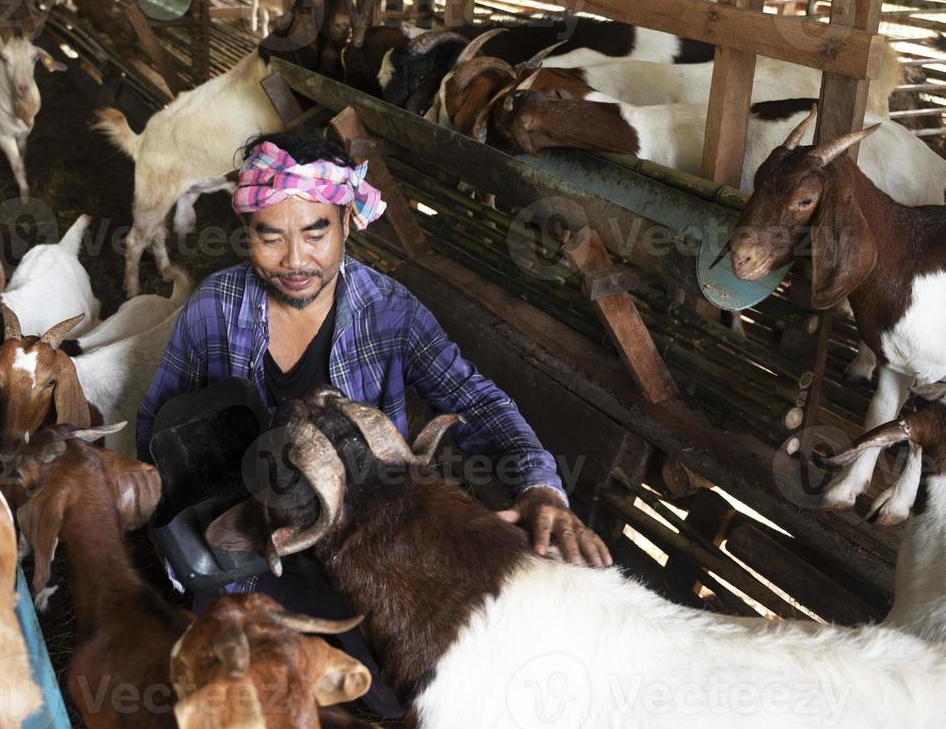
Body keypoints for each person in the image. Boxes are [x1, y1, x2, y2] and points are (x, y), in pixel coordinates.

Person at [138, 129, 609, 569]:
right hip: (242, 538)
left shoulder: (390, 311)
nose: (296, 261)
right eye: (271, 237)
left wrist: (539, 486)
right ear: (247, 230)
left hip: (362, 547)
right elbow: (160, 422)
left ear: (346, 221)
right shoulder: (215, 306)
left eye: (315, 233)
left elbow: (478, 402)